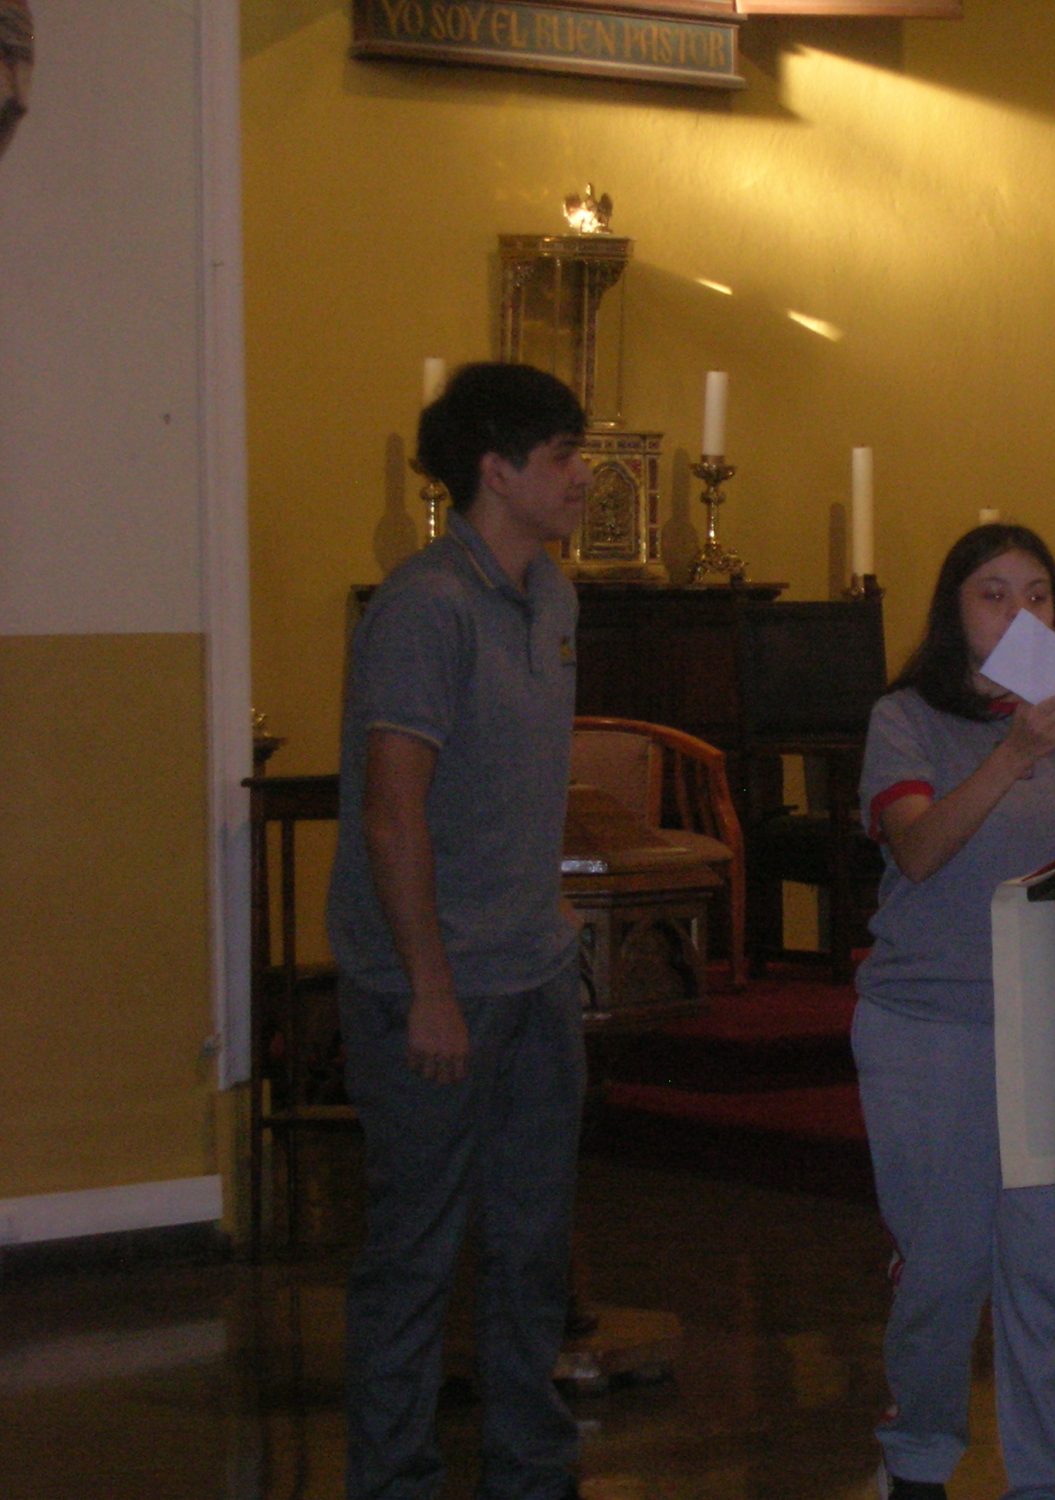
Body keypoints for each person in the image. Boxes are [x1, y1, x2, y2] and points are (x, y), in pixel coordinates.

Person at [326, 361, 591, 1500]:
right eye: (563, 458)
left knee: (532, 1248)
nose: (583, 478)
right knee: (416, 1253)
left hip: (533, 972)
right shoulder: (424, 607)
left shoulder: (554, 595)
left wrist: (549, 920)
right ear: (497, 470)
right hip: (431, 985)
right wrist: (430, 989)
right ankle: (393, 1479)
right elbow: (394, 815)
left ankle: (532, 1470)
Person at [852, 524, 1055, 1500]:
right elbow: (919, 849)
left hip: (1054, 1022)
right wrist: (1013, 754)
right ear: (954, 612)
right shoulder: (906, 719)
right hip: (933, 1021)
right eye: (994, 594)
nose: (1022, 612)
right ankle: (919, 1459)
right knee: (941, 1267)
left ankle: (1045, 1480)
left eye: (1039, 594)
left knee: (1046, 1268)